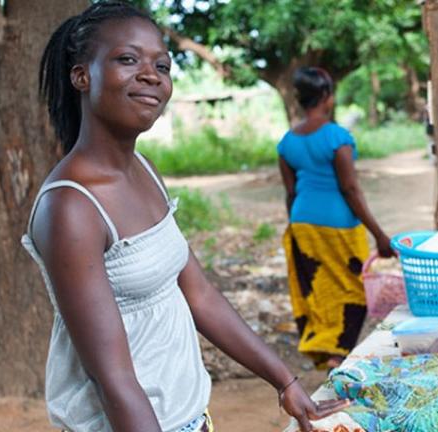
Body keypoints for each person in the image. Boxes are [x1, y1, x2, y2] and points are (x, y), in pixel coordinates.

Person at [22, 3, 347, 431]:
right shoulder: (71, 207)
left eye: (162, 64)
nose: (151, 75)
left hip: (188, 417)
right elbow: (113, 377)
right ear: (81, 75)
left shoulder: (146, 171)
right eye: (127, 59)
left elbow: (199, 294)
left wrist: (284, 381)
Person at [277, 67, 394, 371]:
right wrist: (380, 235)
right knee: (355, 289)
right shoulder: (337, 138)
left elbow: (290, 193)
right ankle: (338, 354)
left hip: (302, 222)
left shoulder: (287, 142)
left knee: (320, 289)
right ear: (327, 97)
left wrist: (296, 228)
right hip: (339, 224)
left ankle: (326, 350)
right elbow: (350, 189)